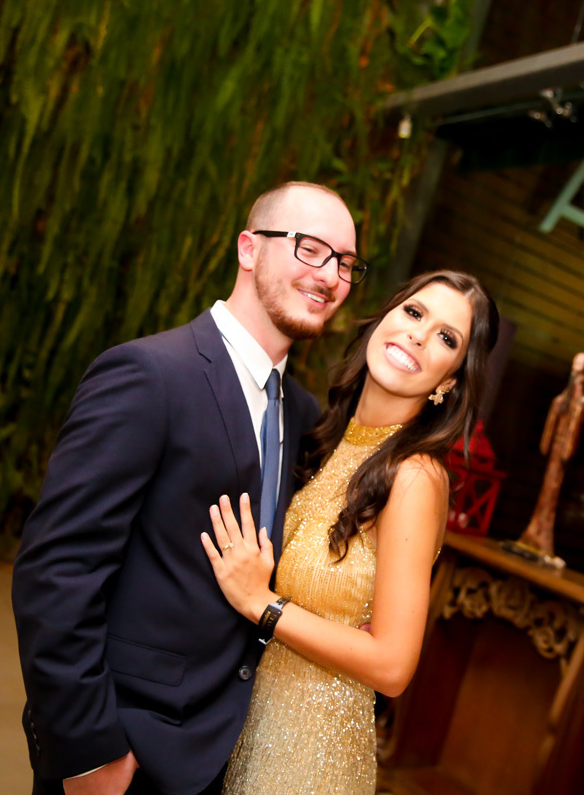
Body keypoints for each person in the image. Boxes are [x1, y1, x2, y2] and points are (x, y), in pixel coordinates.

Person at [12, 181, 363, 795]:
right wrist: (88, 751)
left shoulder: (303, 414)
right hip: (125, 746)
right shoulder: (149, 374)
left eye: (346, 263)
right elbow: (56, 571)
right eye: (309, 248)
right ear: (249, 249)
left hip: (227, 756)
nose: (329, 276)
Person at [199, 270, 499, 795]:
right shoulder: (327, 439)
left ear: (450, 381)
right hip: (249, 729)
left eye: (446, 339)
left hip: (310, 757)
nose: (418, 335)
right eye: (414, 313)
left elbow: (393, 665)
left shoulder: (414, 476)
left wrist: (262, 604)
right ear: (384, 318)